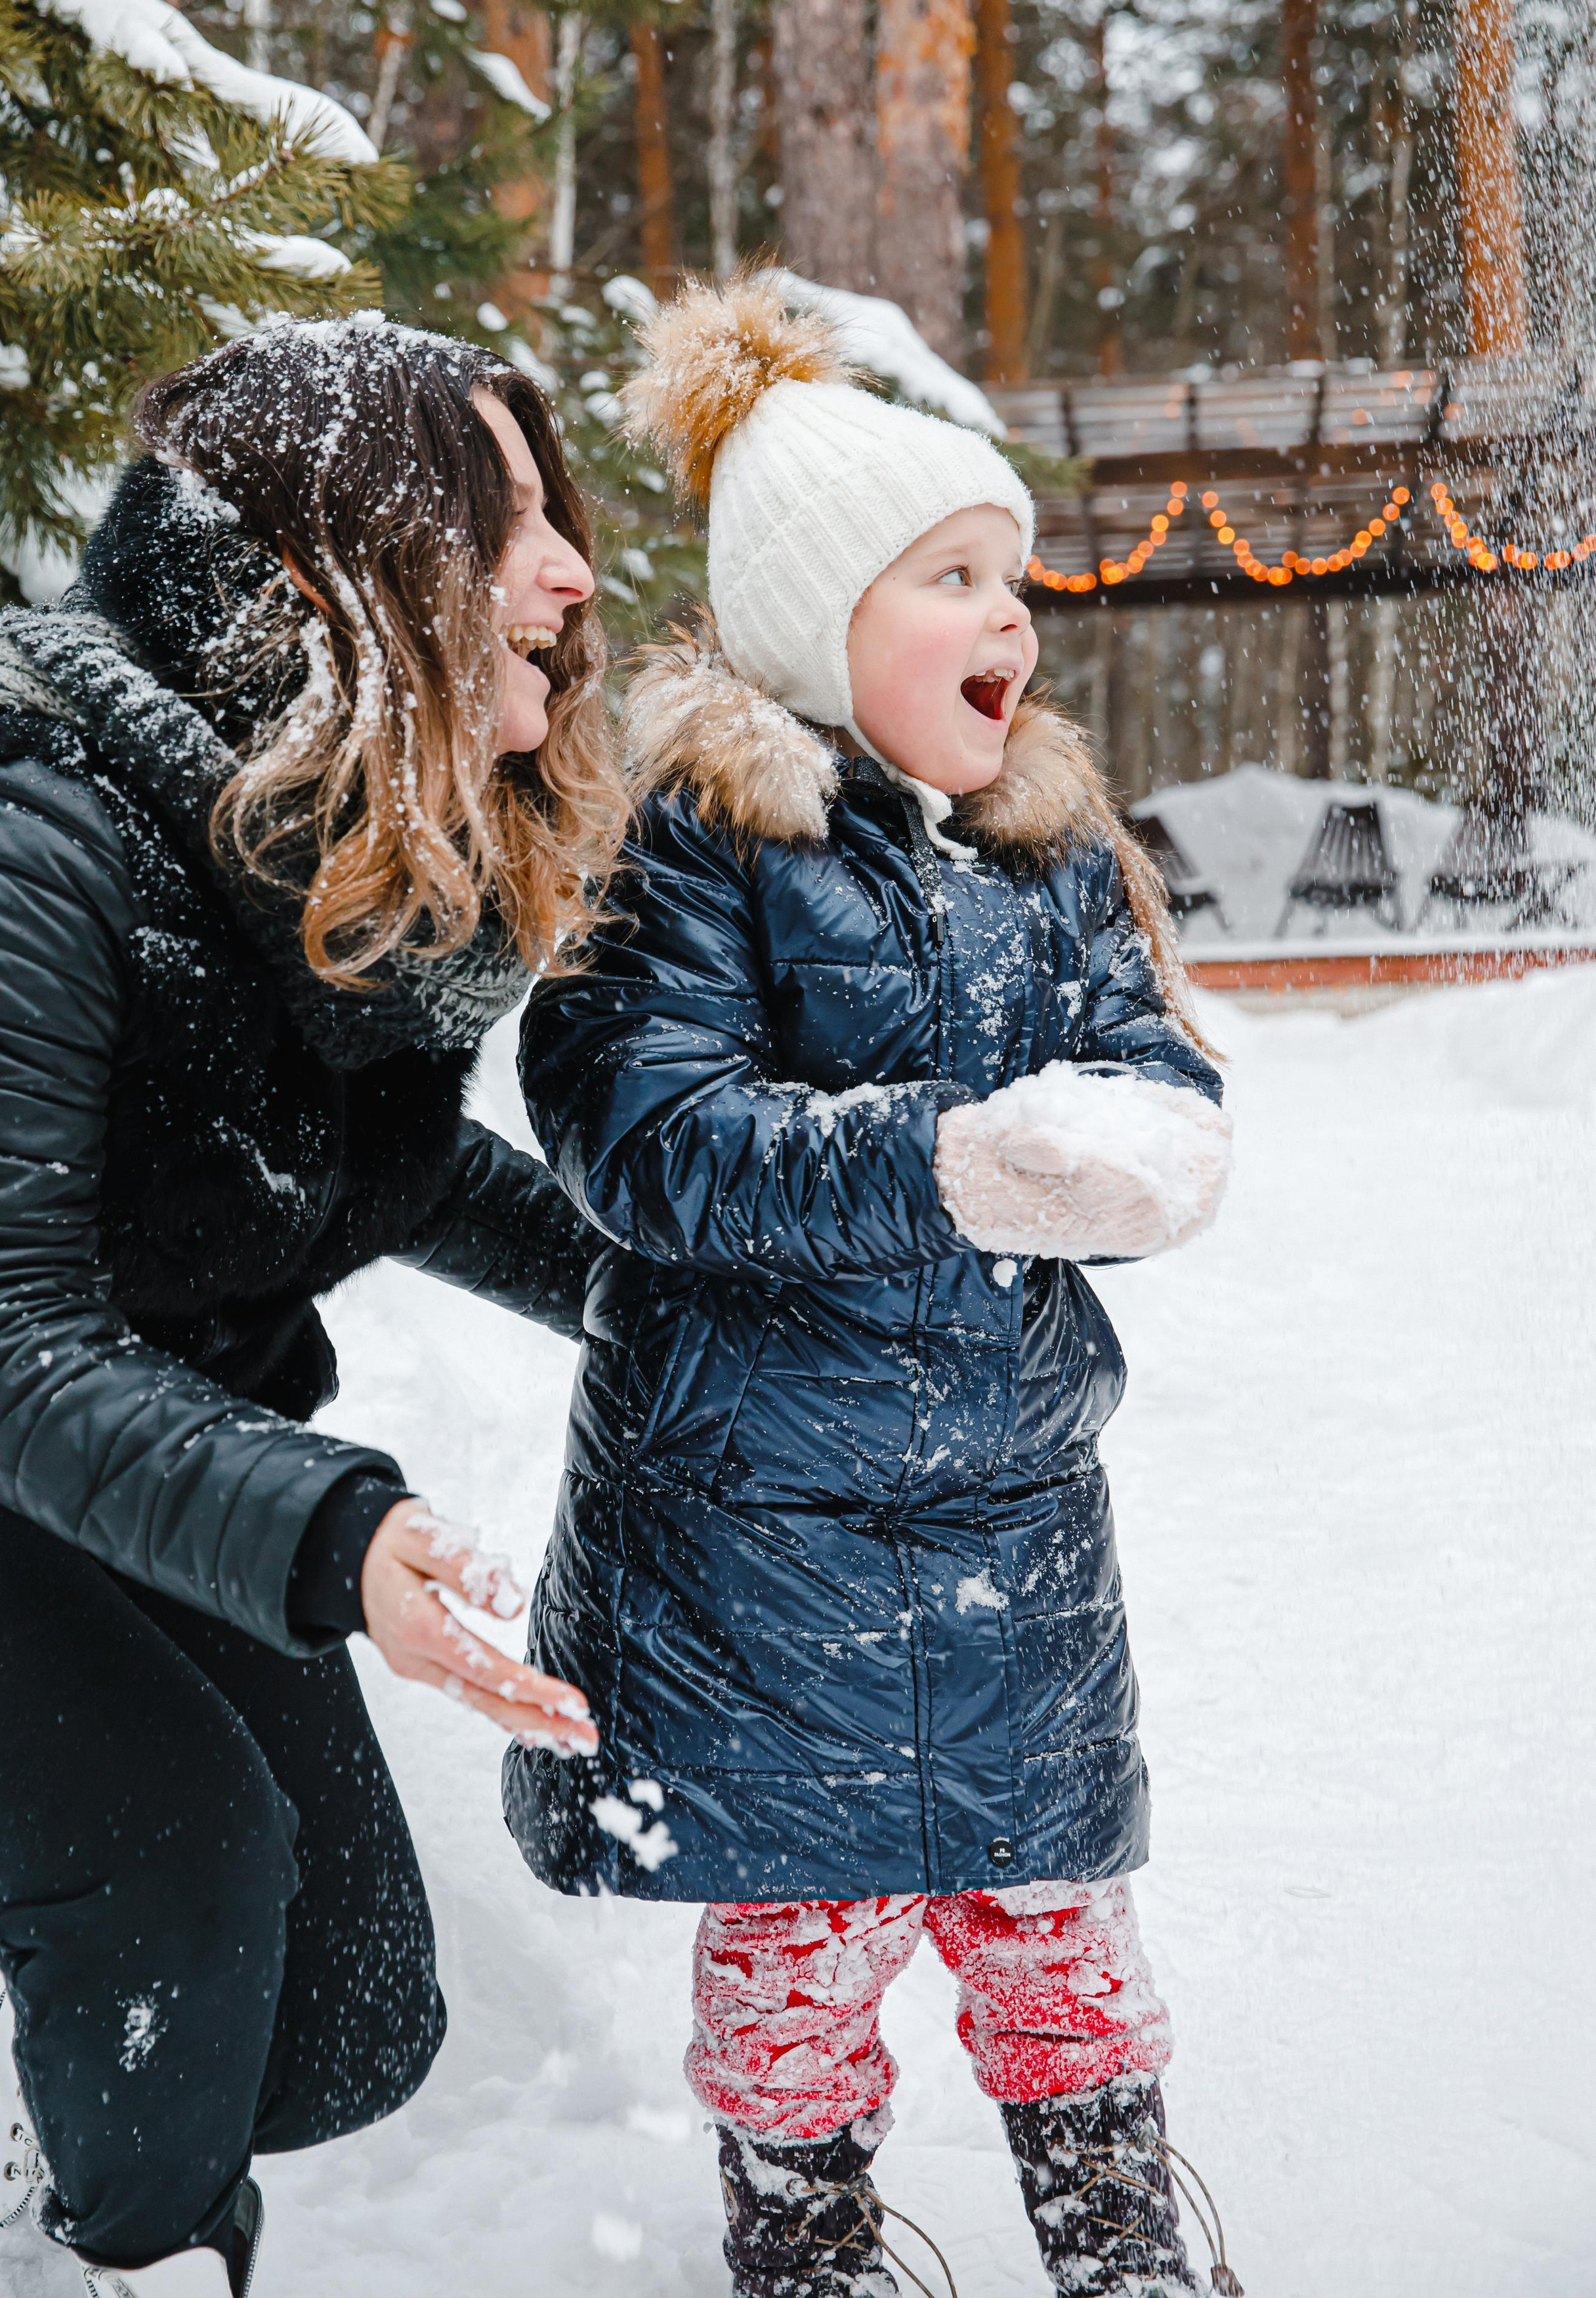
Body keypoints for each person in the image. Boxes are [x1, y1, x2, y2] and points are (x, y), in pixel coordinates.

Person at [507, 281, 1238, 2298]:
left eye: (1017, 578)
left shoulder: (1048, 848)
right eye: (954, 580)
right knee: (801, 1936)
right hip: (761, 1527)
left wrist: (1150, 1140)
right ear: (819, 625)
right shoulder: (687, 856)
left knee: (1058, 1917)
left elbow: (1142, 1052)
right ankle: (806, 2247)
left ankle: (1118, 2247)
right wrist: (935, 1158)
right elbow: (645, 1136)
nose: (1013, 622)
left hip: (1011, 1499)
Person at [0, 316, 625, 2298]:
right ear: (314, 578)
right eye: (501, 523)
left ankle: (55, 2044)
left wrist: (655, 1284)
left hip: (117, 1432)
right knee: (178, 1880)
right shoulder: (25, 841)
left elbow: (341, 1169)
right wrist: (334, 1527)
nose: (568, 570)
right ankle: (96, 2250)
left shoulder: (287, 840)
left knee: (349, 2023)